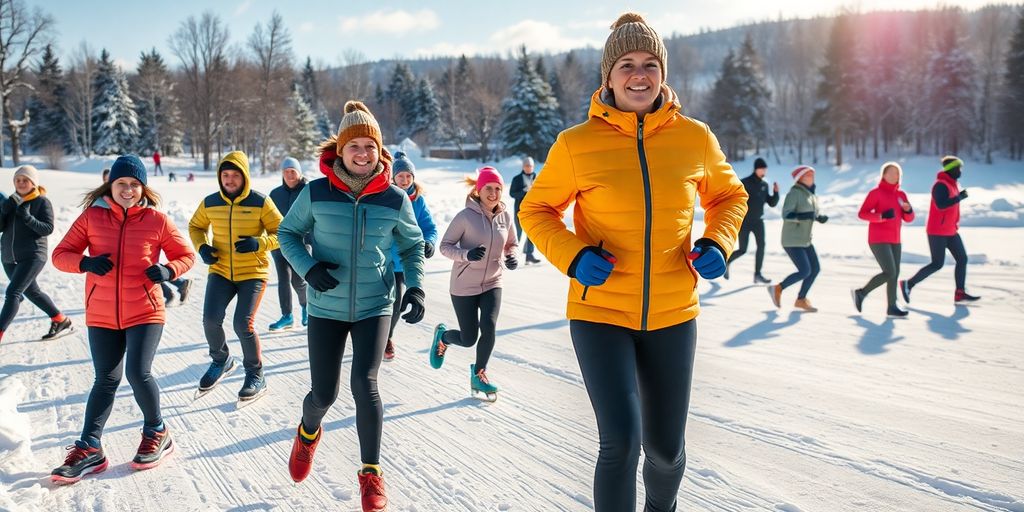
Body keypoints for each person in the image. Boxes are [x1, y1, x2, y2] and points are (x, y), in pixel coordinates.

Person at [518, 13, 748, 511]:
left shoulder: (695, 138)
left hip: (673, 313)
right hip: (599, 312)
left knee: (665, 451)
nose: (639, 75)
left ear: (663, 73)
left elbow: (730, 196)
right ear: (608, 76)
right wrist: (574, 256)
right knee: (620, 442)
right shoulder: (576, 144)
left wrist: (718, 242)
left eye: (649, 64)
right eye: (626, 64)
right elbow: (535, 210)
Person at [279, 101, 425, 512]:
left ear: (381, 151)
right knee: (323, 393)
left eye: (370, 146)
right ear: (340, 150)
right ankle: (308, 434)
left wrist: (415, 288)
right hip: (325, 306)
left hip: (375, 304)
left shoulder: (394, 198)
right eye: (354, 146)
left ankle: (371, 473)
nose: (363, 153)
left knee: (366, 383)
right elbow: (287, 233)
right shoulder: (315, 192)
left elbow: (412, 245)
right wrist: (308, 268)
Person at [50, 155, 195, 483]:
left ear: (142, 188)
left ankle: (157, 431)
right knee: (105, 378)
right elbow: (60, 255)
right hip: (101, 313)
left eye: (134, 184)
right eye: (121, 183)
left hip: (145, 310)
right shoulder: (92, 217)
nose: (127, 189)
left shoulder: (156, 220)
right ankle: (90, 447)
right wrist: (85, 263)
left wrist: (167, 270)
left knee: (138, 372)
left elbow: (186, 255)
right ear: (110, 185)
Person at [188, 150, 282, 401]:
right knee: (210, 320)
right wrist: (202, 247)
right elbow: (196, 226)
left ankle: (256, 373)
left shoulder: (260, 202)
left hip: (253, 273)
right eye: (225, 175)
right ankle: (221, 360)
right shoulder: (210, 202)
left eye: (235, 175)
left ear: (245, 177)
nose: (229, 180)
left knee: (243, 323)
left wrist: (259, 243)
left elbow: (282, 232)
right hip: (221, 271)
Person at [431, 167, 518, 400]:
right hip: (464, 285)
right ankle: (443, 337)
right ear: (478, 190)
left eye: (498, 188)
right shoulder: (464, 217)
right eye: (488, 188)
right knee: (468, 339)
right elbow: (445, 246)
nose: (493, 193)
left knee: (489, 326)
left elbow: (511, 243)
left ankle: (479, 374)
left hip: (493, 281)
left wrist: (511, 256)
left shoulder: (505, 217)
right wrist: (466, 255)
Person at [0, 165, 72, 343]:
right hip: (8, 257)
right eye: (18, 180)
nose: (21, 183)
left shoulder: (41, 202)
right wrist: (4, 211)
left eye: (25, 180)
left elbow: (47, 228)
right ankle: (60, 319)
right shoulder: (11, 201)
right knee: (32, 292)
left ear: (33, 182)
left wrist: (27, 217)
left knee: (13, 293)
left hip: (33, 255)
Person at [900, 156, 980, 304]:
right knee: (937, 264)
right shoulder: (940, 185)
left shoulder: (953, 185)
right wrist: (959, 198)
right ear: (951, 169)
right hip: (937, 231)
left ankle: (960, 293)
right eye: (958, 168)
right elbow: (941, 205)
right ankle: (908, 284)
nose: (960, 171)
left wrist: (958, 197)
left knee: (962, 259)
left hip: (950, 230)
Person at [385, 151, 437, 361]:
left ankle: (386, 336)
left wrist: (429, 242)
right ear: (393, 177)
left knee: (405, 300)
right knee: (392, 301)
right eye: (401, 176)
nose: (405, 180)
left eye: (408, 176)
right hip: (388, 261)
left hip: (407, 261)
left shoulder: (418, 200)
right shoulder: (385, 197)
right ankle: (383, 337)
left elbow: (429, 227)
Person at [852, 162, 914, 318]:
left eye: (897, 173)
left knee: (895, 273)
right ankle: (861, 293)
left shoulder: (901, 195)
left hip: (895, 239)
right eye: (891, 172)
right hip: (878, 238)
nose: (895, 175)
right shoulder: (876, 193)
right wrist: (881, 216)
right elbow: (862, 213)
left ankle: (892, 307)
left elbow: (909, 218)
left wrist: (908, 211)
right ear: (884, 175)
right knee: (890, 272)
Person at [770, 165, 828, 312]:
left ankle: (801, 299)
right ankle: (778, 288)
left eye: (813, 175)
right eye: (808, 175)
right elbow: (786, 214)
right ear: (800, 178)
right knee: (805, 270)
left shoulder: (810, 195)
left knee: (815, 269)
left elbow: (810, 213)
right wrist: (805, 216)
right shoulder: (794, 193)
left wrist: (818, 217)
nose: (812, 177)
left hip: (805, 239)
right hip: (792, 239)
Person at [268, 156, 309, 331]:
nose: (290, 175)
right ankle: (287, 316)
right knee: (283, 279)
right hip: (279, 243)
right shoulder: (275, 194)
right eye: (286, 172)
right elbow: (268, 218)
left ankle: (307, 307)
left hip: (302, 242)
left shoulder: (308, 191)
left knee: (298, 280)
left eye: (293, 171)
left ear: (299, 172)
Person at [725, 157, 779, 283]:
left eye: (765, 169)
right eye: (762, 169)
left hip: (758, 222)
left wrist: (776, 193)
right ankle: (727, 261)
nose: (764, 171)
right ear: (756, 169)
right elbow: (735, 199)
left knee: (761, 246)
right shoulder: (745, 182)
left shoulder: (765, 185)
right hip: (745, 222)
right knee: (743, 250)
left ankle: (758, 274)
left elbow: (771, 203)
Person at [509, 156, 540, 264]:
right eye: (527, 166)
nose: (529, 168)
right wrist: (524, 192)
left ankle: (529, 255)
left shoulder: (537, 177)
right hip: (520, 210)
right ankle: (512, 255)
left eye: (530, 166)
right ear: (523, 167)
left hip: (532, 210)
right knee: (518, 233)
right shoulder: (517, 179)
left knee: (531, 233)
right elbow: (512, 193)